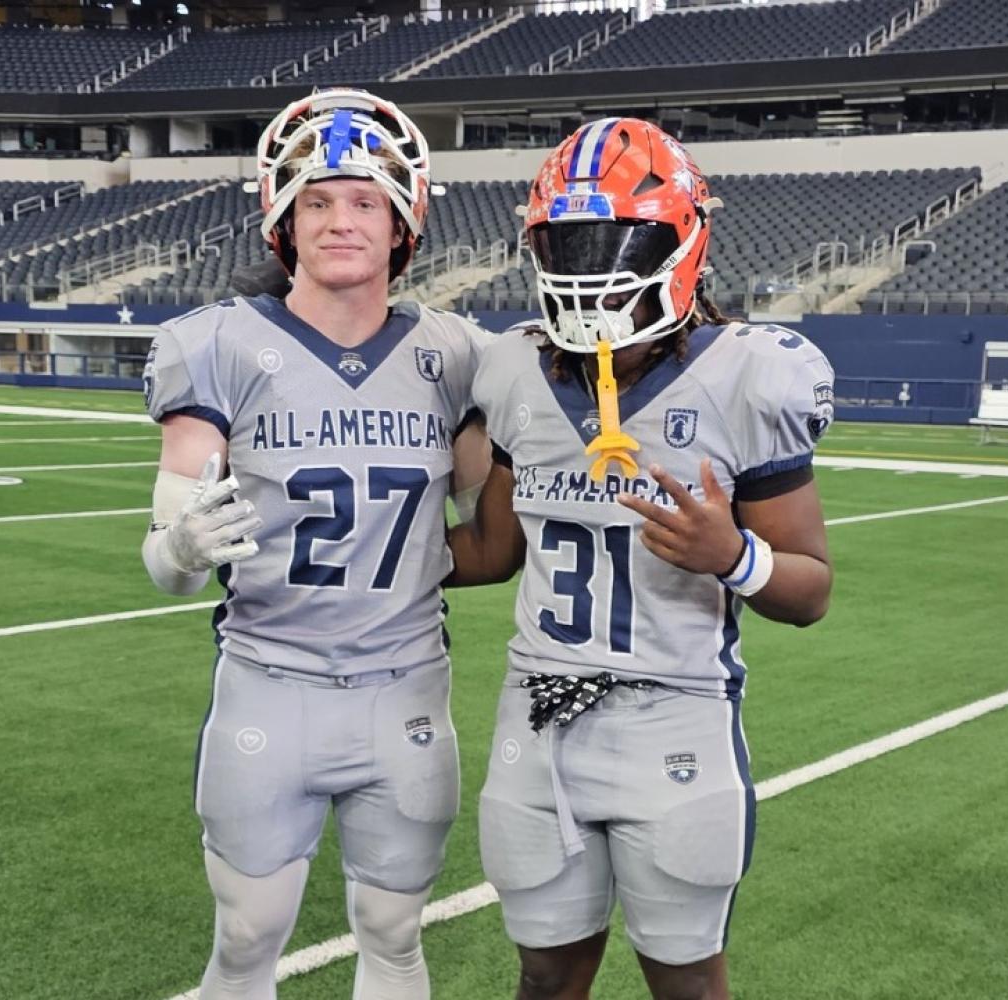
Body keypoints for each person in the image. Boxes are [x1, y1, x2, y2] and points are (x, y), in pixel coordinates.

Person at [447, 117, 835, 1000]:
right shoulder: (514, 370)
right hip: (535, 713)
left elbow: (811, 589)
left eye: (621, 241)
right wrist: (366, 552)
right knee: (544, 976)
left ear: (684, 243)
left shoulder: (749, 375)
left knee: (687, 984)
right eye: (572, 244)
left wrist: (733, 556)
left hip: (676, 717)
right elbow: (493, 550)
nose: (594, 268)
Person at [139, 88, 491, 1000]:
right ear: (283, 221)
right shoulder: (218, 344)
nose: (341, 220)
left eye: (365, 200)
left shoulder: (456, 355)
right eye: (318, 201)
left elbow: (492, 533)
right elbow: (166, 566)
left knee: (396, 937)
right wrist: (182, 549)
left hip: (407, 687)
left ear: (402, 222)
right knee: (247, 939)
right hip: (270, 680)